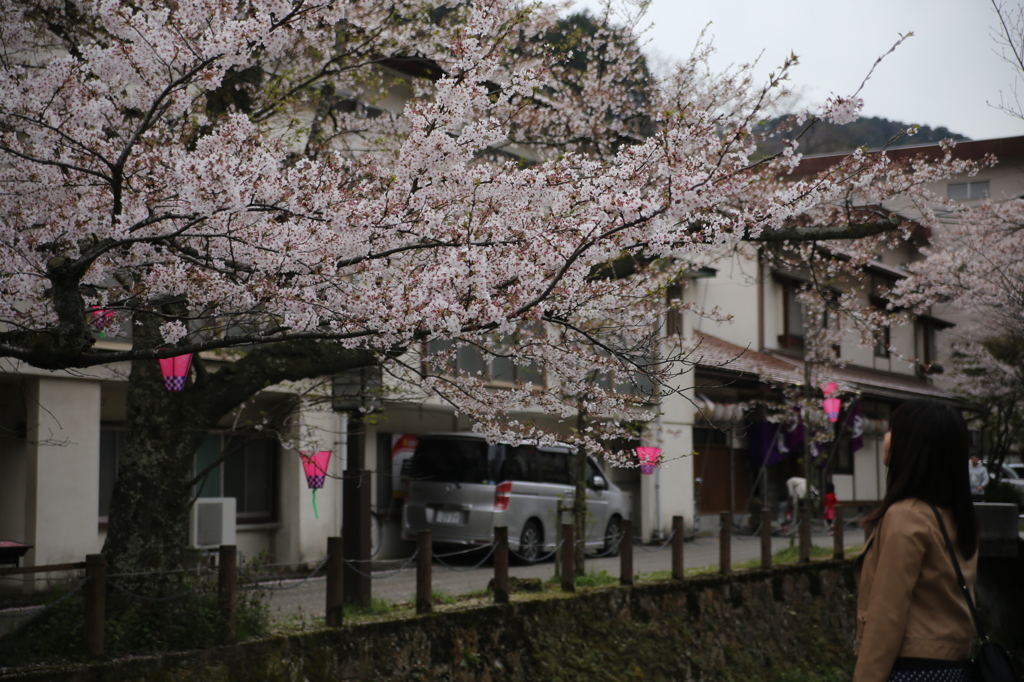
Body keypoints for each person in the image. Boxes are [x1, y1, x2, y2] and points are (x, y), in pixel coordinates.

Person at [854, 399, 978, 682]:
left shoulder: (905, 517)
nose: (885, 437)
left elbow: (887, 616)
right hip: (955, 668)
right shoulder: (959, 515)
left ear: (913, 446)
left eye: (893, 431)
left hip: (912, 669)